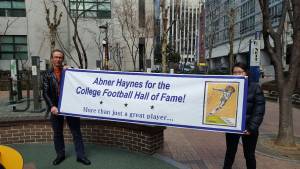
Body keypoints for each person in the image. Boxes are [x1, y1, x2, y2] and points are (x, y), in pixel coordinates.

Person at [42, 49, 91, 166]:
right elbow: (45, 92)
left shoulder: (69, 70)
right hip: (56, 107)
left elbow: (79, 79)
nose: (58, 59)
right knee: (57, 133)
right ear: (52, 58)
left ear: (62, 59)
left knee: (76, 132)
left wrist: (71, 70)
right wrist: (52, 106)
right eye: (56, 57)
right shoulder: (47, 74)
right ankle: (60, 155)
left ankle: (81, 156)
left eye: (60, 57)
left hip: (70, 106)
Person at [223, 62, 265, 169]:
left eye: (240, 72)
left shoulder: (255, 87)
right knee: (230, 154)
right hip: (232, 126)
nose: (237, 75)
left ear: (246, 73)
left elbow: (259, 110)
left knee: (249, 155)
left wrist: (251, 128)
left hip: (249, 129)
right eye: (234, 72)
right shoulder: (229, 87)